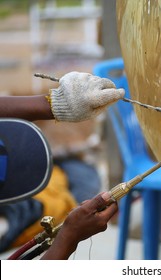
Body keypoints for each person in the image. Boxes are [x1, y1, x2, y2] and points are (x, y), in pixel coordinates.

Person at [0, 71, 123, 259]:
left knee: (77, 173)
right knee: (81, 184)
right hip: (24, 207)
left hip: (19, 177)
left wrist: (55, 104)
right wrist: (68, 237)